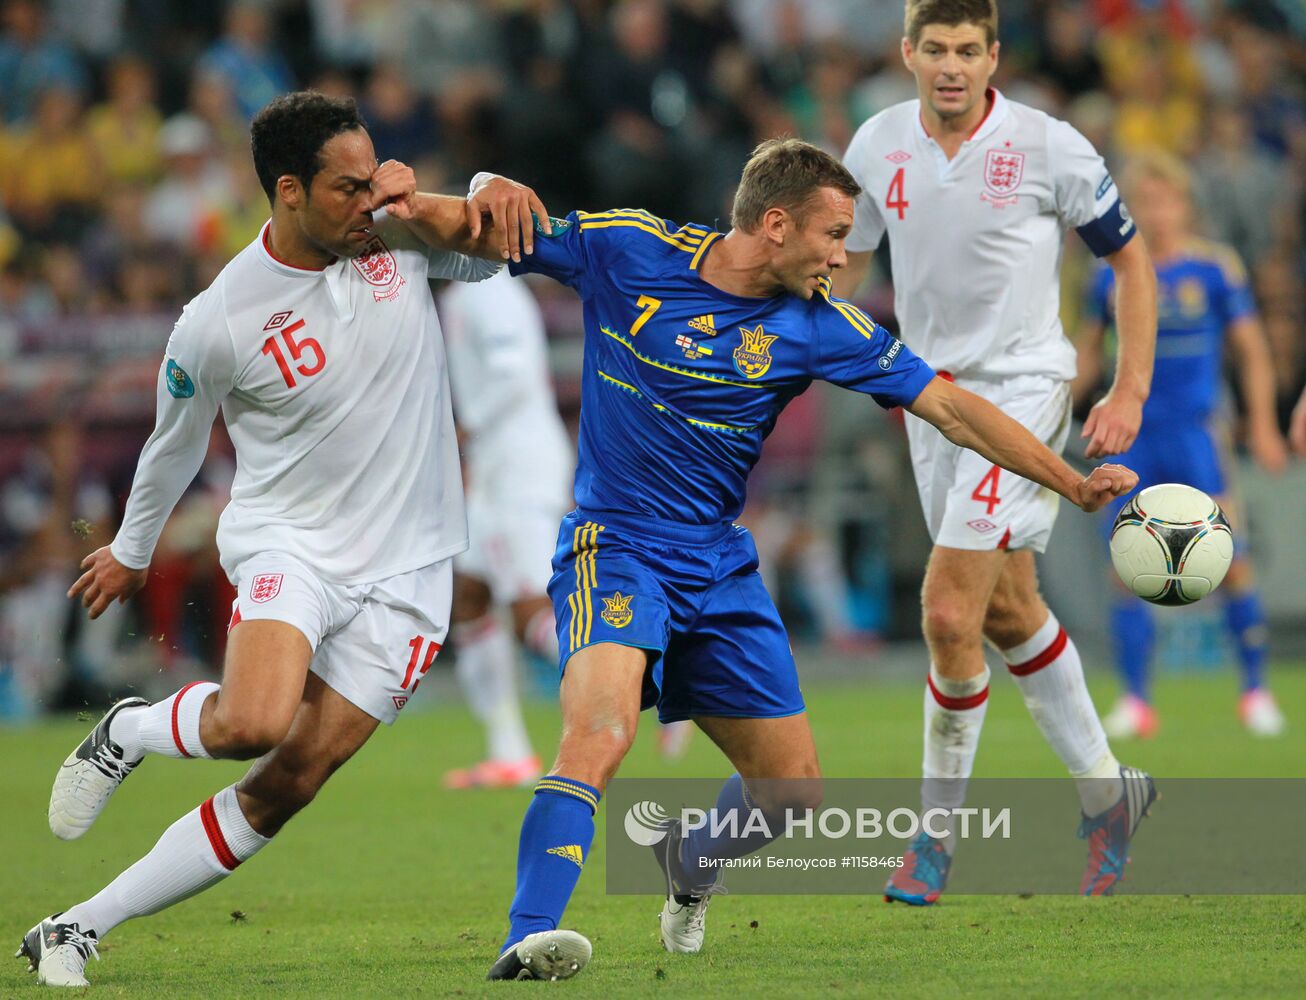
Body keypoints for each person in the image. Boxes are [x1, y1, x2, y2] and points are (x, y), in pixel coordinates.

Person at [485, 137, 1139, 982]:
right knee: (600, 733)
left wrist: (1072, 482)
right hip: (617, 549)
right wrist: (453, 188)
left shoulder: (820, 324)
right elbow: (481, 230)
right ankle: (526, 937)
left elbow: (954, 409)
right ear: (777, 223)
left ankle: (689, 868)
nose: (843, 255)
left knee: (791, 791)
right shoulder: (629, 246)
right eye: (834, 234)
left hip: (718, 566)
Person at [19, 90, 548, 988]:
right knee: (253, 722)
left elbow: (494, 249)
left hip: (412, 565)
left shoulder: (394, 231)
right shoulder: (219, 319)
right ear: (289, 192)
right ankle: (132, 730)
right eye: (348, 186)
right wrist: (133, 550)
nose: (368, 196)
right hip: (290, 542)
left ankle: (72, 928)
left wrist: (479, 190)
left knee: (290, 780)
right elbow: (171, 445)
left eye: (374, 172)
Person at [833, 0, 1158, 906]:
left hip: (1020, 395)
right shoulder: (878, 144)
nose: (949, 65)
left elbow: (1129, 263)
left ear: (992, 58)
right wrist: (814, 337)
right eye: (933, 48)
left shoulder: (1050, 145)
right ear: (907, 54)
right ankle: (1110, 796)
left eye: (966, 50)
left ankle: (934, 838)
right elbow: (851, 262)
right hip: (928, 403)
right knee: (1010, 609)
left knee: (947, 612)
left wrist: (1127, 387)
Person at [1077, 150, 1289, 739]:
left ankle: (1255, 693)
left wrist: (1265, 424)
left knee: (1232, 561)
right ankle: (1137, 702)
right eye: (1144, 202)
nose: (1157, 212)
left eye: (1165, 200)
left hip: (1197, 435)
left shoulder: (1215, 269)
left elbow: (1250, 351)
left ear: (1184, 205)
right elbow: (1086, 354)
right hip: (1130, 437)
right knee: (1128, 566)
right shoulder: (1109, 273)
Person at [439, 268, 573, 789]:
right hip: (497, 470)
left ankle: (662, 682)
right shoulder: (467, 290)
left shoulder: (486, 291)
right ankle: (509, 753)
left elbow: (513, 374)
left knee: (528, 610)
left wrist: (466, 427)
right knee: (469, 596)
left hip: (517, 469)